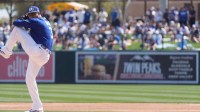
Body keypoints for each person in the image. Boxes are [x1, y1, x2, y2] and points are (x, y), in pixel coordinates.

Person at [0, 6, 53, 112]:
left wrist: (24, 18)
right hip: (42, 55)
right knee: (29, 79)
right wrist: (26, 18)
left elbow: (16, 23)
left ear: (38, 13)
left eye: (34, 14)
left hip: (38, 51)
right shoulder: (43, 21)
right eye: (30, 14)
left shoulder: (37, 21)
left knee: (17, 30)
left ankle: (6, 51)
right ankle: (37, 107)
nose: (32, 16)